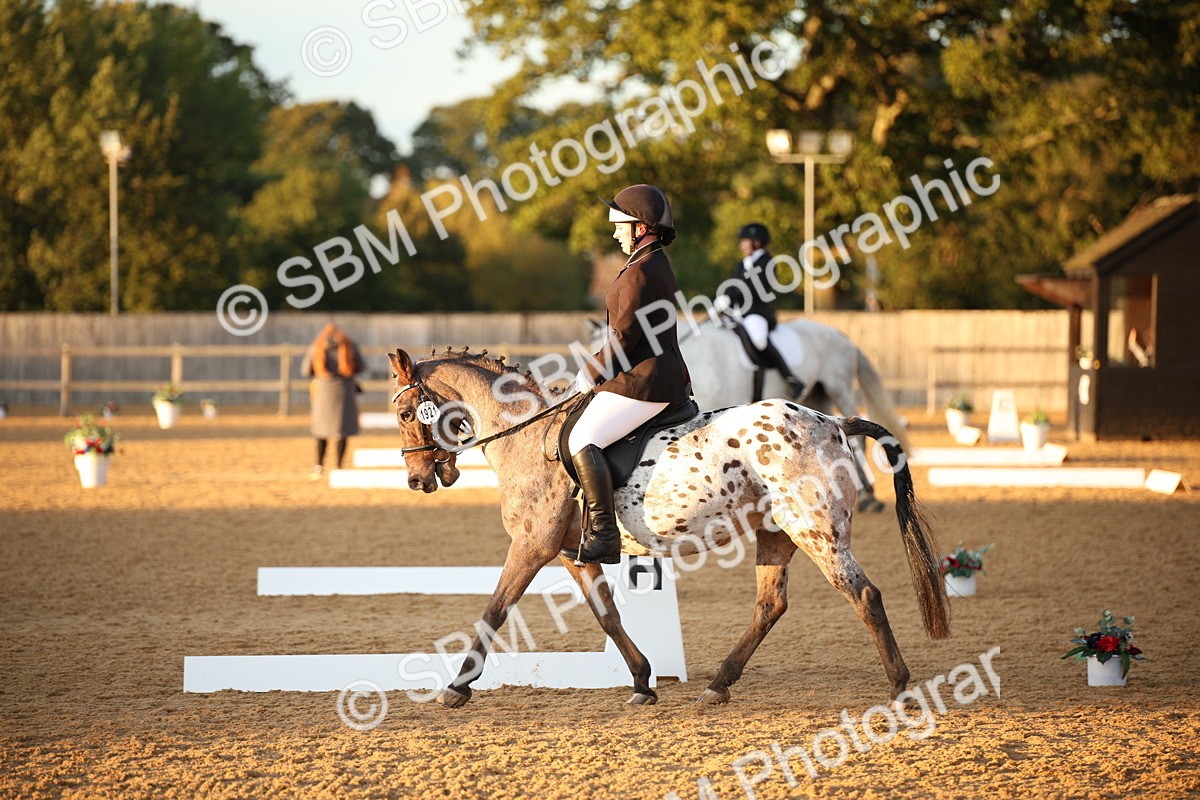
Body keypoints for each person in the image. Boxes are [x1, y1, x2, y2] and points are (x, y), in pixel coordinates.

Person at [561, 184, 692, 564]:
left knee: (583, 437)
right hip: (650, 371)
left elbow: (624, 336)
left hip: (646, 379)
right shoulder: (649, 263)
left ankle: (604, 534)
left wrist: (589, 372)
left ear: (641, 228)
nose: (615, 232)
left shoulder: (640, 272)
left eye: (621, 226)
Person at [716, 222, 806, 399]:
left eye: (745, 241)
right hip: (739, 312)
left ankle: (790, 377)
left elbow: (757, 289)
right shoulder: (742, 264)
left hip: (758, 312)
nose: (741, 245)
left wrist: (732, 297)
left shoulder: (768, 263)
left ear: (756, 242)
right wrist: (722, 300)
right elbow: (734, 286)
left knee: (759, 340)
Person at [301, 323, 365, 478]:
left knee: (321, 430)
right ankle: (338, 466)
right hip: (345, 391)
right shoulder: (350, 345)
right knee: (342, 430)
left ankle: (319, 466)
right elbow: (361, 367)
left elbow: (305, 370)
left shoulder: (316, 346)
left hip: (323, 391)